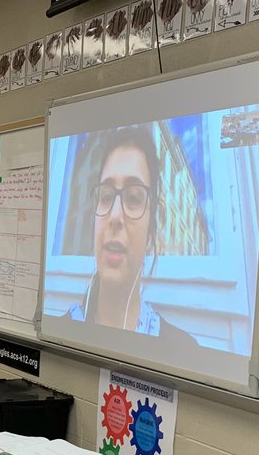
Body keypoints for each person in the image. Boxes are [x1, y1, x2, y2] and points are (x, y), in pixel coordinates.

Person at [65, 126, 200, 352]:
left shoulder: (185, 351)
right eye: (106, 196)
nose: (115, 216)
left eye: (134, 198)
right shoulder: (59, 333)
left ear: (151, 233)